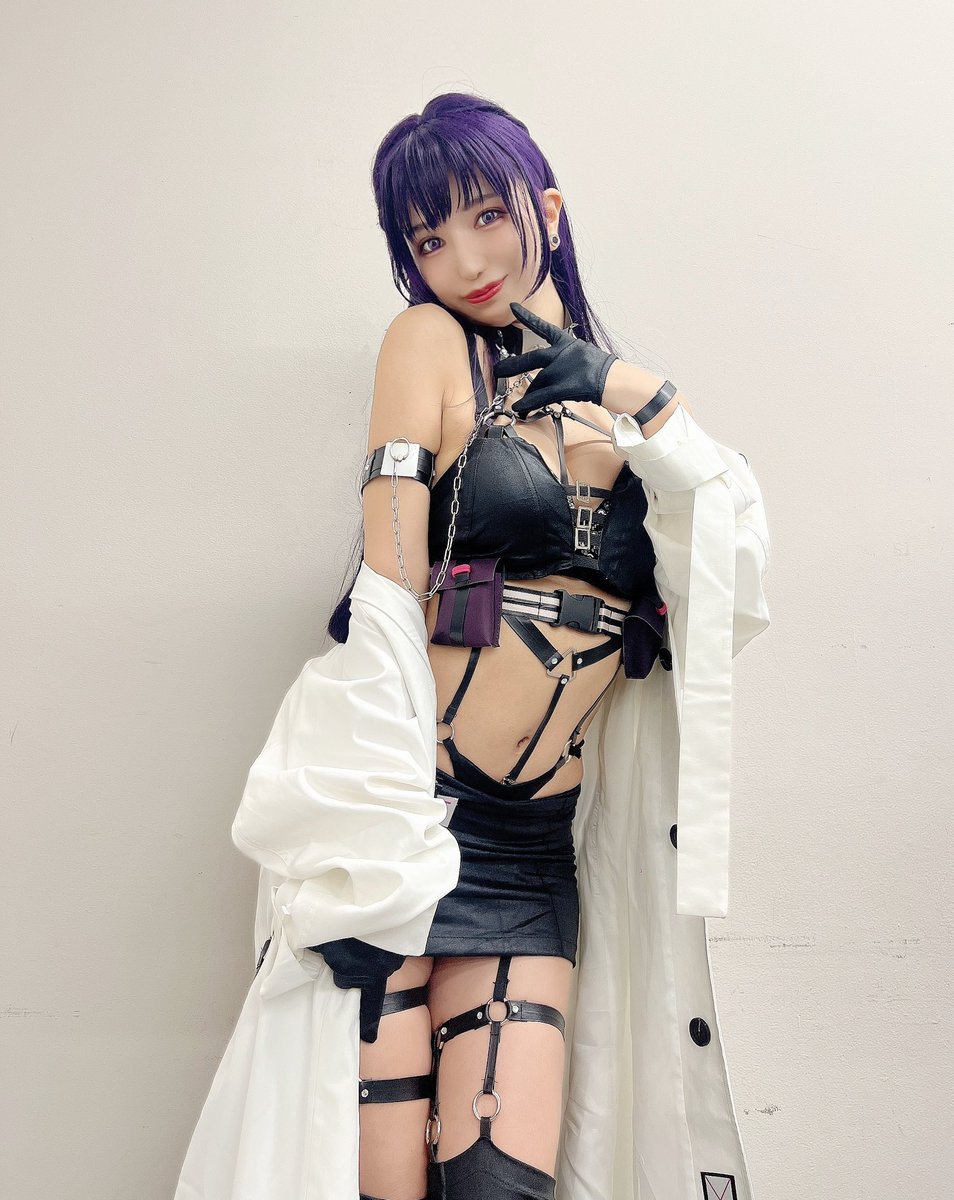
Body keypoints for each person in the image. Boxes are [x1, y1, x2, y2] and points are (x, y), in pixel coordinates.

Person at [174, 93, 771, 1200]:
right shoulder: (429, 343)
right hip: (410, 825)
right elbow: (390, 591)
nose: (466, 260)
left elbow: (736, 572)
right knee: (374, 1182)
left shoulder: (625, 409)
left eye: (488, 216)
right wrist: (363, 848)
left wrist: (638, 395)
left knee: (502, 1185)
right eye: (429, 239)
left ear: (549, 209)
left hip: (533, 856)